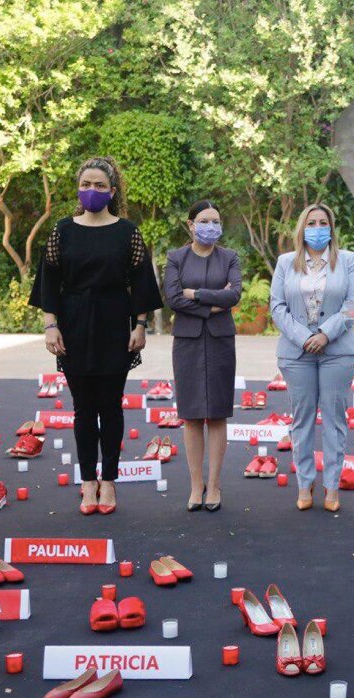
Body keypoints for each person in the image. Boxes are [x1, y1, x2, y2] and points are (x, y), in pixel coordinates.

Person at [29, 157, 163, 515]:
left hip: (113, 325)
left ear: (112, 191)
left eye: (100, 185)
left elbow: (141, 282)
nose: (92, 190)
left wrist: (139, 325)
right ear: (78, 188)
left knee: (111, 406)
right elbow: (49, 280)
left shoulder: (127, 231)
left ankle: (109, 481)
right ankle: (88, 482)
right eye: (86, 184)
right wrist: (50, 324)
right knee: (83, 409)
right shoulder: (63, 230)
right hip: (73, 326)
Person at [270, 204, 354, 512]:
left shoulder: (347, 261)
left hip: (337, 351)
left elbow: (353, 304)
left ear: (332, 227)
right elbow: (277, 307)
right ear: (302, 227)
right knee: (303, 419)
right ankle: (305, 482)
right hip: (297, 353)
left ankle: (332, 486)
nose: (318, 227)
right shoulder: (286, 262)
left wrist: (325, 333)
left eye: (324, 222)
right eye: (312, 222)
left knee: (335, 419)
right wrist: (304, 337)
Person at [163, 200, 243, 512]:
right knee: (192, 414)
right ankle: (197, 486)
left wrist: (195, 294)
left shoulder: (230, 257)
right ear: (190, 224)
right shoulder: (176, 257)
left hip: (221, 340)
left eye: (215, 220)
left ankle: (215, 485)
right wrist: (213, 304)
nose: (210, 226)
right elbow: (172, 298)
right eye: (203, 220)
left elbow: (234, 295)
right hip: (187, 341)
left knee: (218, 412)